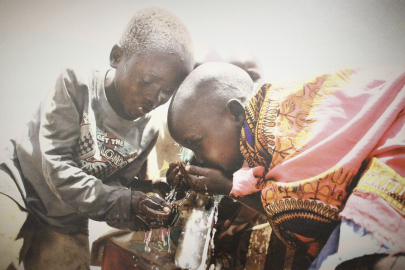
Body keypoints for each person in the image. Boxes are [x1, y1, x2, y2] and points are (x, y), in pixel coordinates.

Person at [0, 7, 194, 270]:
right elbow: (55, 166)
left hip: (66, 217)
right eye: (148, 81)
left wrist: (144, 202)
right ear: (116, 56)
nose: (155, 98)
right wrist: (125, 202)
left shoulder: (148, 131)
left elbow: (112, 194)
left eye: (167, 91)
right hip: (17, 186)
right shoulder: (76, 84)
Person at [167, 62, 405, 269]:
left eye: (196, 143)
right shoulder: (264, 132)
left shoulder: (279, 125)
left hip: (396, 154)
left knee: (361, 258)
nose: (198, 158)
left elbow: (306, 216)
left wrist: (227, 187)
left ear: (236, 113)